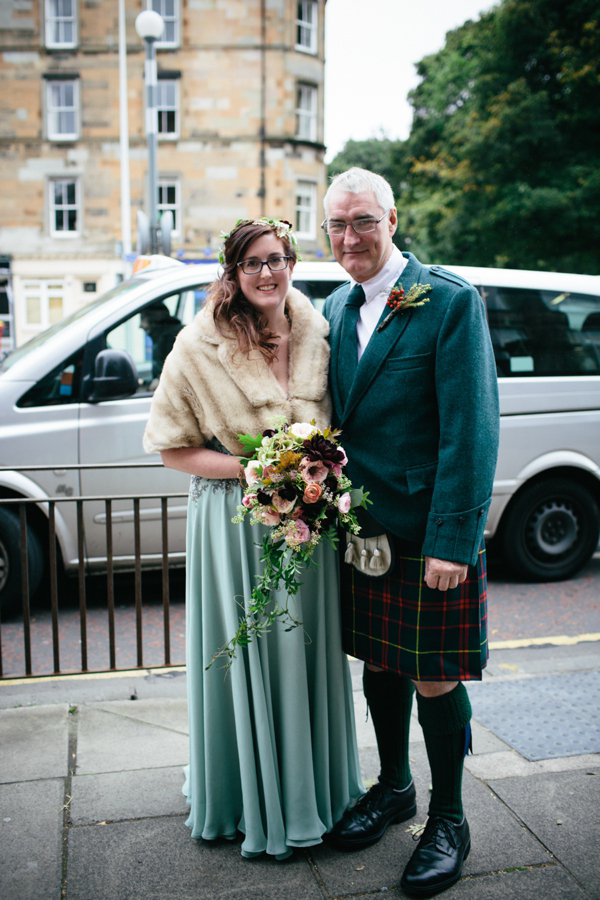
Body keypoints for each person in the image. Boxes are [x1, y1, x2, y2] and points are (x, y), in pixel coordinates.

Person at [143, 217, 364, 860]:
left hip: (307, 524)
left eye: (278, 259)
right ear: (232, 275)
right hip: (234, 521)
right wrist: (258, 470)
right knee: (251, 653)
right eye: (253, 264)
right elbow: (172, 450)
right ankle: (247, 796)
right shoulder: (198, 345)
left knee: (304, 655)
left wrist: (315, 470)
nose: (268, 273)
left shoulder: (320, 331)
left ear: (291, 262)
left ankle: (312, 794)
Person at [321, 168, 499, 896]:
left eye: (362, 221)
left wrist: (455, 541)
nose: (349, 237)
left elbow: (472, 428)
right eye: (336, 225)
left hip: (429, 534)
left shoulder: (448, 302)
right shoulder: (332, 306)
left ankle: (448, 817)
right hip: (364, 530)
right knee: (381, 663)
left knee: (434, 673)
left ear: (392, 218)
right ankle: (394, 787)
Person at [139, 301, 183, 388]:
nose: (140, 325)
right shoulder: (167, 337)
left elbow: (164, 382)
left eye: (142, 319)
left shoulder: (167, 340)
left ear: (154, 319)